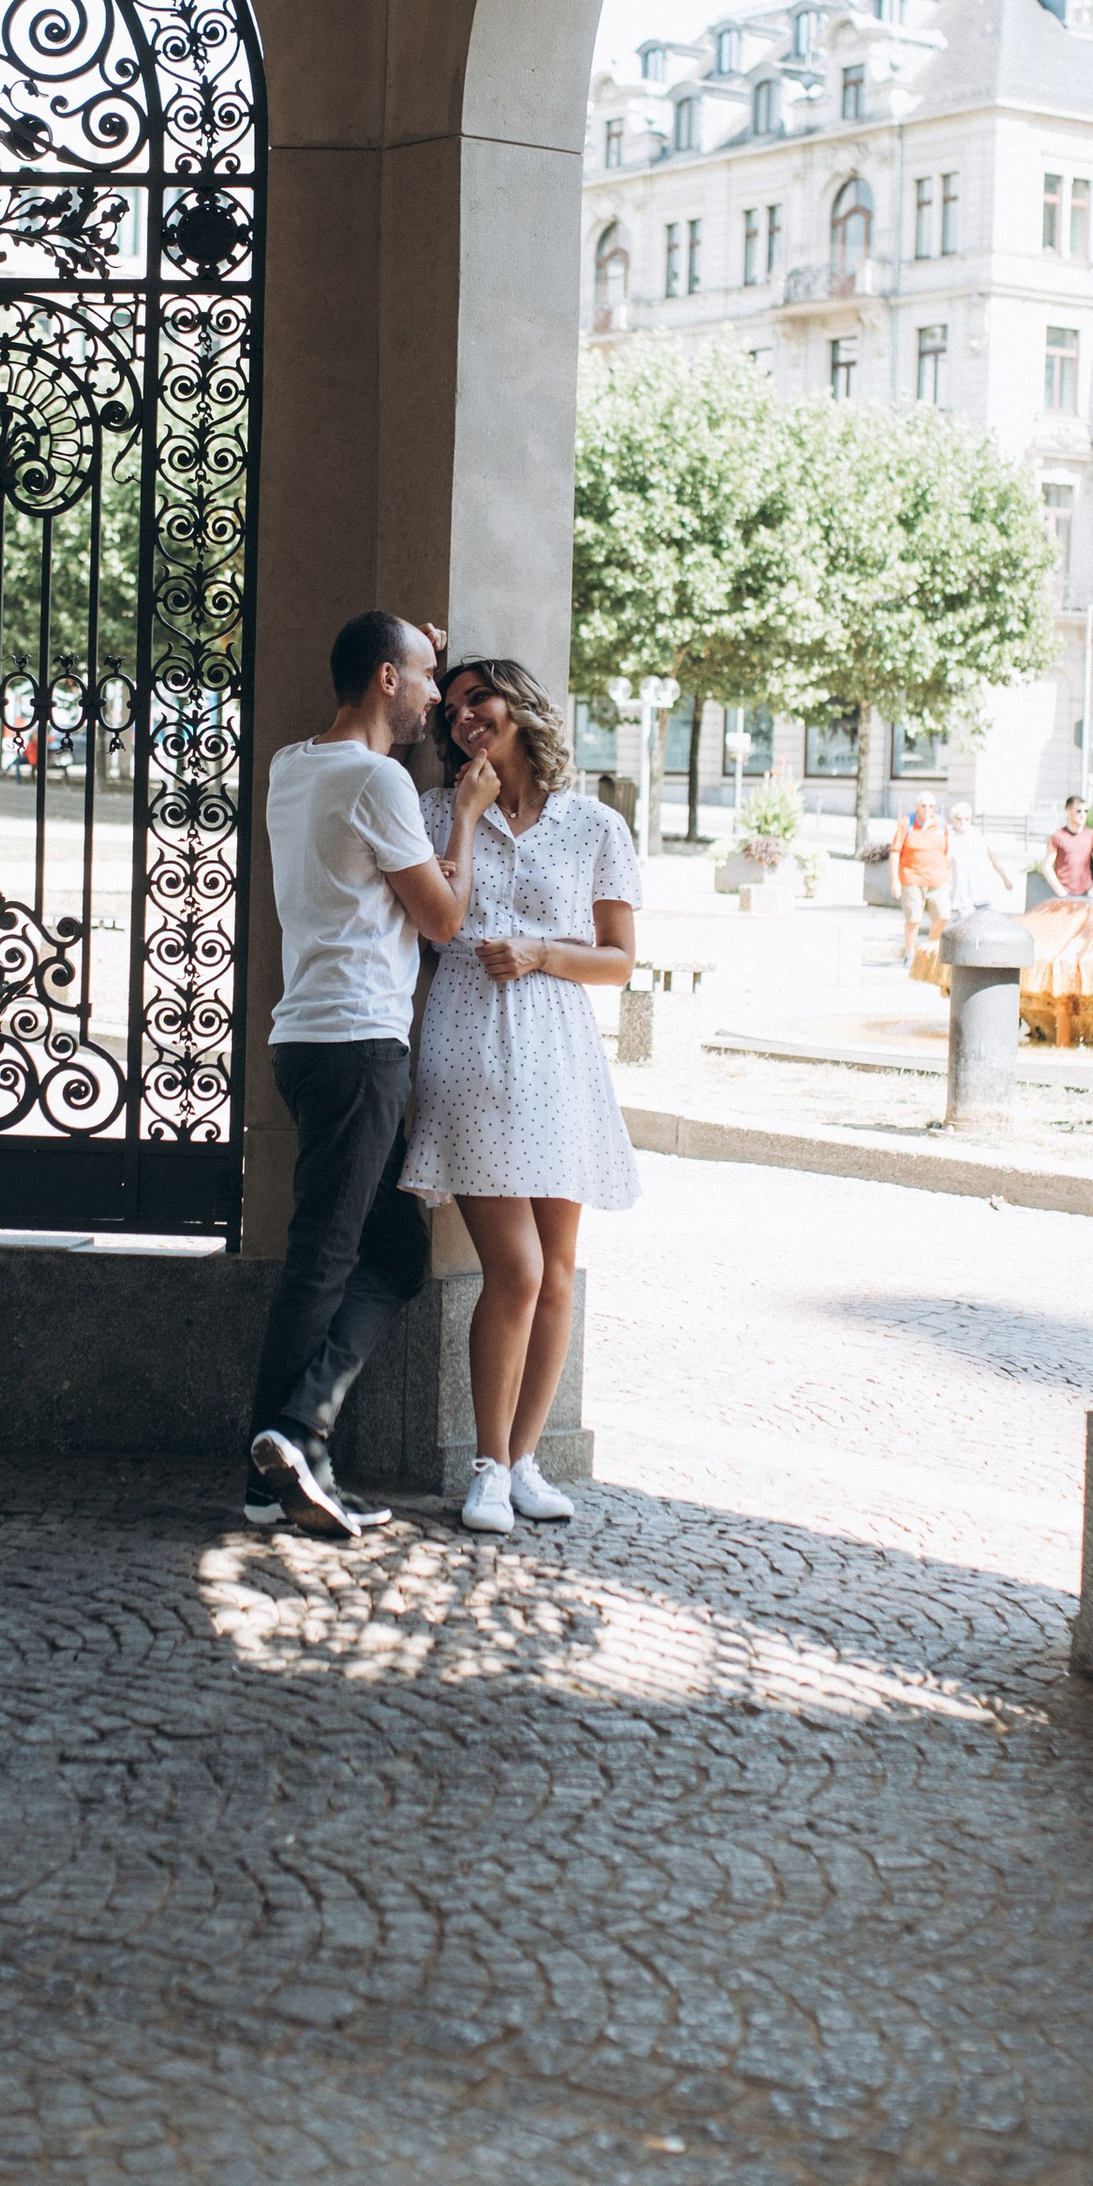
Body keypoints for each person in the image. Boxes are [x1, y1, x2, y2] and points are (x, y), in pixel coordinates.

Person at [245, 610, 494, 1538]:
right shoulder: (378, 779)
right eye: (427, 678)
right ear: (387, 679)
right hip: (359, 1045)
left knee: (388, 1253)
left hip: (308, 1040)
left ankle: (285, 1449)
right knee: (330, 1253)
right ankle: (289, 1442)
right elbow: (444, 919)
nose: (437, 698)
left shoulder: (291, 765)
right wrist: (465, 817)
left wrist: (412, 641)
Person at [401, 658, 640, 1539]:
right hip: (469, 1042)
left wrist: (542, 952)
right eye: (451, 708)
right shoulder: (433, 811)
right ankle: (488, 1467)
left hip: (561, 1052)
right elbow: (437, 926)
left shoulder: (595, 825)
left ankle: (528, 1459)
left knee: (558, 1272)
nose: (463, 716)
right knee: (519, 1269)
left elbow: (619, 960)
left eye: (480, 699)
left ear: (522, 706)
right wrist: (466, 816)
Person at [890, 794, 952, 950]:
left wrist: (949, 877)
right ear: (917, 806)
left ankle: (929, 950)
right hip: (913, 879)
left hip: (938, 880)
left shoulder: (941, 824)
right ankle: (909, 953)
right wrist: (894, 881)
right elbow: (895, 852)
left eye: (931, 806)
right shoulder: (907, 823)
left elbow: (947, 853)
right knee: (913, 919)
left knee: (943, 915)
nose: (927, 809)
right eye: (924, 806)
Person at [946, 800, 1011, 915]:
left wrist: (1005, 878)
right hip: (961, 894)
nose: (962, 822)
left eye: (967, 819)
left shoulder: (976, 834)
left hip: (981, 889)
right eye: (958, 819)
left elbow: (992, 857)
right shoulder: (948, 837)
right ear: (952, 819)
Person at [1046, 793, 1093, 900]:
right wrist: (1060, 891)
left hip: (1086, 895)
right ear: (1068, 811)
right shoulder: (1058, 836)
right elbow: (1047, 865)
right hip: (1064, 895)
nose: (1083, 815)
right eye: (1079, 811)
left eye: (1086, 811)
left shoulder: (1092, 836)